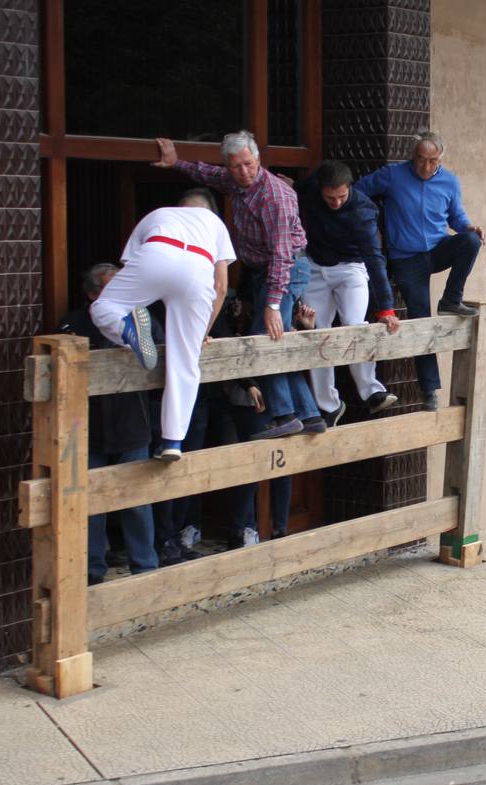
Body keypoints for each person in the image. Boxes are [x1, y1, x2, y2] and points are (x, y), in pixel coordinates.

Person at [155, 131, 325, 439]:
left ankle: (286, 414)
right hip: (262, 270)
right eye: (236, 167)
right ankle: (310, 415)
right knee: (277, 338)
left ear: (258, 160)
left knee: (267, 336)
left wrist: (273, 304)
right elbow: (208, 173)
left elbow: (282, 255)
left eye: (248, 164)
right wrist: (176, 162)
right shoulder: (234, 180)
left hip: (285, 268)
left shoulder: (274, 196)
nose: (243, 172)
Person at [89, 190, 235, 462]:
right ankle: (172, 441)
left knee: (103, 307)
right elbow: (222, 286)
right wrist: (201, 332)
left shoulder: (157, 214)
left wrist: (135, 305)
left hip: (158, 251)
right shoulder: (215, 223)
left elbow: (131, 267)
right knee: (186, 361)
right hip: (198, 269)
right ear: (208, 210)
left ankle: (127, 331)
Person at [354, 131, 486, 411]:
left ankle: (452, 299)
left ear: (440, 159)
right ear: (412, 156)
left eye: (433, 161)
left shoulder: (449, 181)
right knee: (420, 318)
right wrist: (375, 226)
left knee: (472, 241)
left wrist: (467, 227)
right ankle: (429, 391)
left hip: (437, 249)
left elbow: (456, 216)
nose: (426, 167)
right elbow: (357, 191)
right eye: (421, 159)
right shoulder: (393, 175)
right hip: (406, 257)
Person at [59, 263, 159, 584]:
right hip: (88, 427)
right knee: (91, 504)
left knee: (136, 502)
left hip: (133, 423)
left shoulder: (139, 316)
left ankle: (145, 569)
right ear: (92, 295)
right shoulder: (73, 323)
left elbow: (163, 349)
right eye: (108, 287)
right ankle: (91, 570)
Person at [295, 160, 401, 423]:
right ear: (320, 189)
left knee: (355, 324)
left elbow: (375, 260)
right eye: (330, 197)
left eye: (341, 196)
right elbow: (297, 190)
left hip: (351, 267)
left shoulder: (363, 210)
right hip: (315, 265)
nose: (336, 202)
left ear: (349, 188)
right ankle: (328, 405)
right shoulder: (309, 188)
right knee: (318, 330)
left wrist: (386, 308)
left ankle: (372, 391)